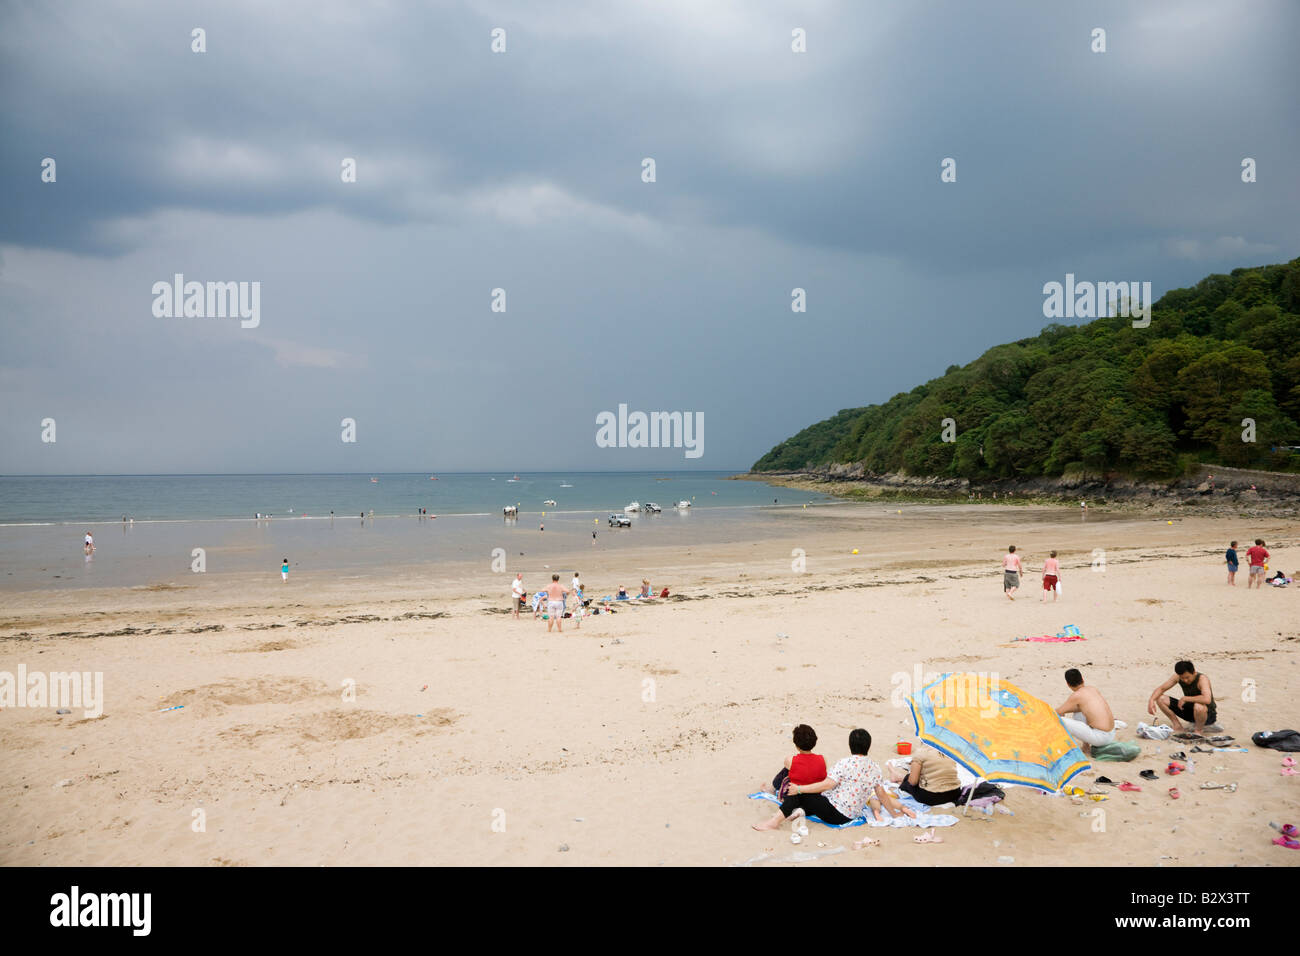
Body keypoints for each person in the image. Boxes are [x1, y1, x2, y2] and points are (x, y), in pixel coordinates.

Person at [752, 729, 915, 831]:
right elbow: (882, 795)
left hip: (835, 812)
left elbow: (827, 784)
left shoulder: (845, 763)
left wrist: (800, 789)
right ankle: (797, 812)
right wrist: (894, 813)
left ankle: (774, 822)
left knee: (799, 793)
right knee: (809, 798)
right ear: (868, 746)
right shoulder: (875, 768)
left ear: (850, 745)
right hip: (850, 814)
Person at [900, 746, 1006, 807]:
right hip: (954, 793)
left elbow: (913, 782)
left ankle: (897, 777)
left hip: (931, 797)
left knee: (908, 780)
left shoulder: (920, 753)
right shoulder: (949, 750)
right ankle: (898, 777)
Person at [1055, 668, 1115, 756]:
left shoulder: (1076, 696)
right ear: (1082, 679)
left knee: (1061, 720)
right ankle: (1085, 746)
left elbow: (1058, 712)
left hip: (1101, 738)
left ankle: (1062, 747)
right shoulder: (1092, 689)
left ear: (1068, 684)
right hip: (1111, 733)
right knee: (1079, 711)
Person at [1147, 661, 1216, 735]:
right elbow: (1161, 689)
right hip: (1190, 711)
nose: (1185, 680)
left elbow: (1207, 699)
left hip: (1207, 715)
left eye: (1187, 677)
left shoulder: (1202, 679)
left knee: (1198, 706)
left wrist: (1185, 698)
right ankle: (1177, 726)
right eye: (1182, 678)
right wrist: (1151, 700)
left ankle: (1198, 731)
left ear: (1193, 672)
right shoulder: (1178, 676)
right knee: (1160, 698)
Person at [767, 724, 826, 798]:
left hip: (796, 795)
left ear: (796, 745)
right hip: (815, 793)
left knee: (786, 771)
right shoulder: (823, 759)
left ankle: (772, 789)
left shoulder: (790, 760)